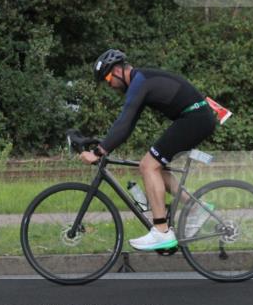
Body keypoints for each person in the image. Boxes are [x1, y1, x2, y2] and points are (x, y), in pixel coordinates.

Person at [79, 49, 217, 250]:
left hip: (194, 118)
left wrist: (98, 152)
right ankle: (196, 208)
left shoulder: (140, 82)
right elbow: (126, 125)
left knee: (148, 166)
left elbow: (124, 123)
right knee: (156, 167)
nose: (109, 84)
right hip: (196, 118)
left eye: (107, 78)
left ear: (117, 70)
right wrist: (105, 145)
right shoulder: (141, 81)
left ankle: (161, 231)